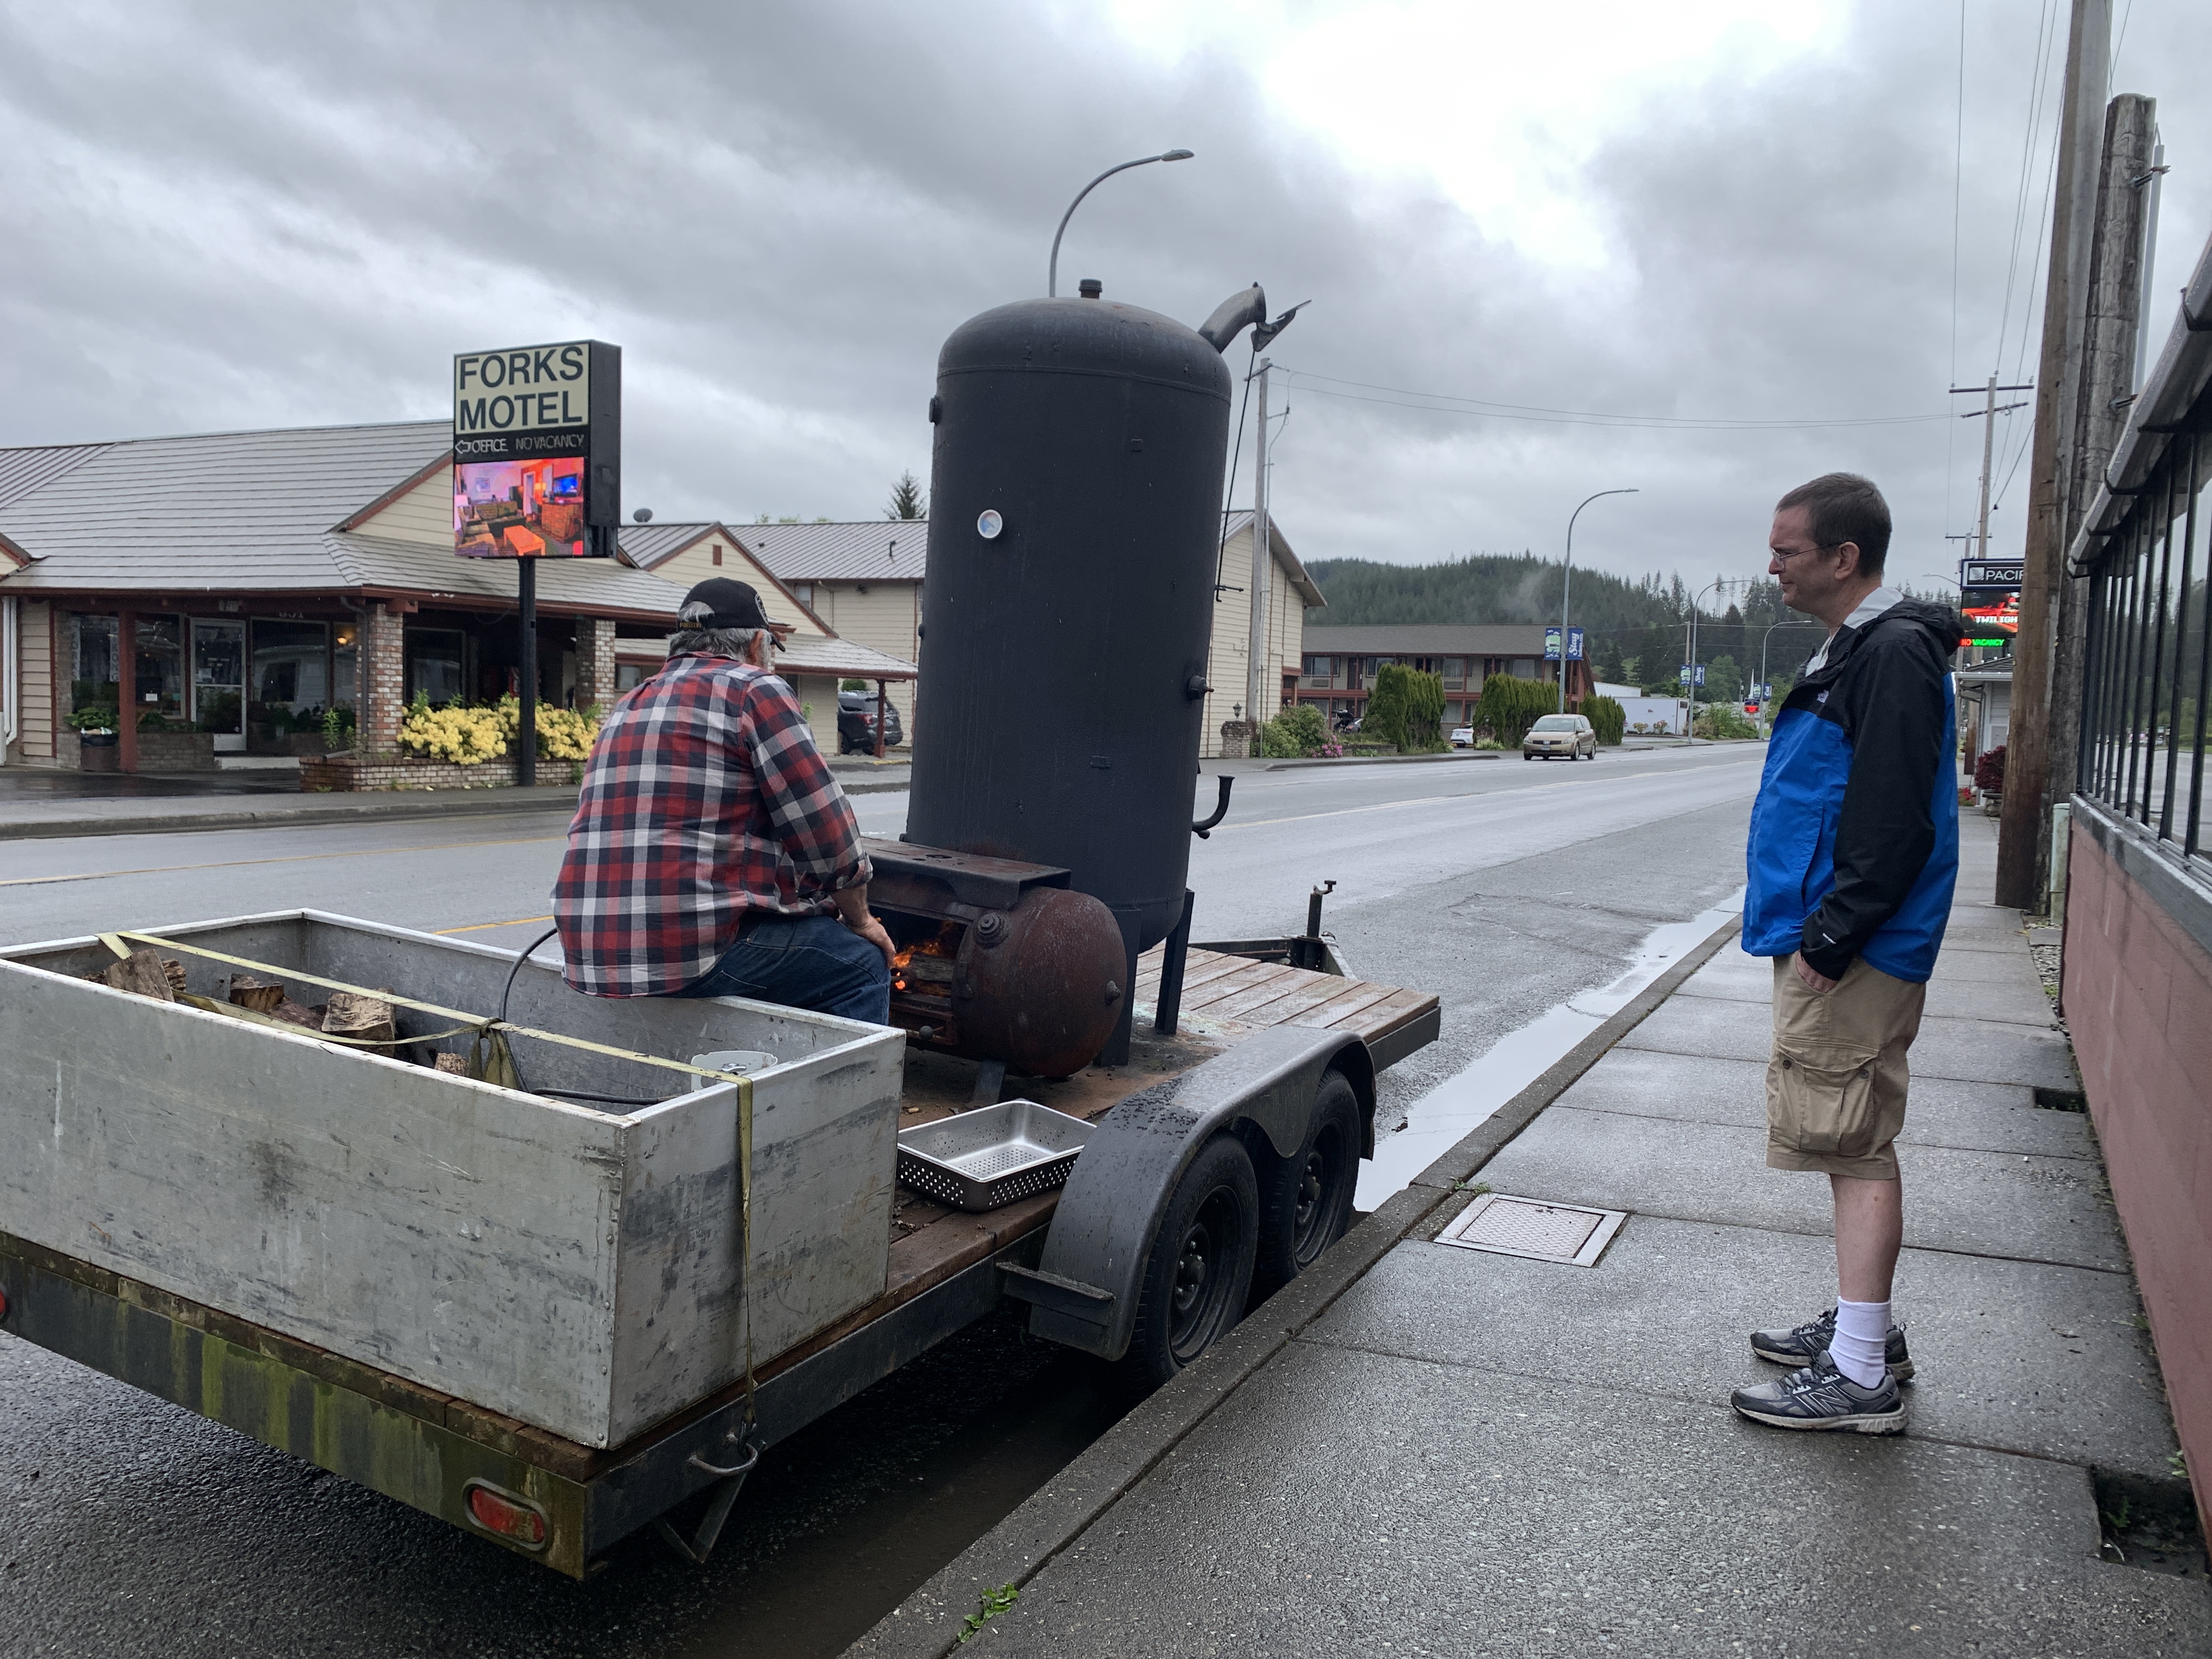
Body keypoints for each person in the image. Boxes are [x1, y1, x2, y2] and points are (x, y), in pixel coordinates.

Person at [1729, 472, 1961, 1435]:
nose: (1771, 565)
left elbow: (1892, 816)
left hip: (1855, 945)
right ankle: (1867, 1328)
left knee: (1853, 1138)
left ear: (1842, 557)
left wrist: (1833, 933)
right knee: (1844, 1132)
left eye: (1785, 550)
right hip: (1842, 935)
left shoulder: (1892, 652)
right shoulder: (1865, 647)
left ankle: (1861, 1372)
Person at [553, 577, 895, 1022]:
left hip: (591, 951)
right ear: (757, 645)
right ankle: (836, 1092)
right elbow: (826, 834)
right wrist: (861, 921)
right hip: (685, 952)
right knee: (859, 966)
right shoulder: (755, 689)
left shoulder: (629, 704)